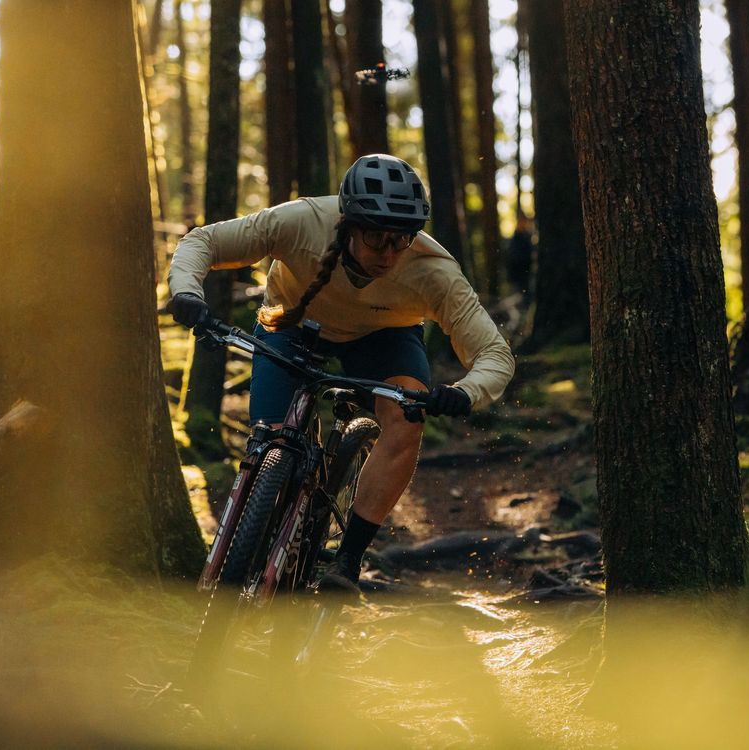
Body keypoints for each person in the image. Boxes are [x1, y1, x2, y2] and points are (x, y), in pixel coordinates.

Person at [168, 154, 515, 593]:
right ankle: (269, 519)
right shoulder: (303, 221)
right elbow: (205, 242)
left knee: (406, 421)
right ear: (349, 224)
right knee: (273, 436)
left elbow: (493, 353)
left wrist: (465, 393)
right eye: (376, 238)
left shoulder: (434, 271)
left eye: (401, 240)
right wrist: (185, 292)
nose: (389, 254)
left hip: (384, 337)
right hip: (292, 324)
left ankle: (347, 562)